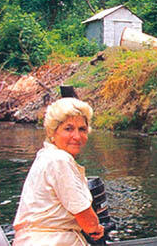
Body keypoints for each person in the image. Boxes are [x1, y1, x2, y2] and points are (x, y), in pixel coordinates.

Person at [13, 98, 104, 245]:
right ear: (52, 133)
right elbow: (88, 223)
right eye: (68, 129)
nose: (77, 136)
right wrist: (96, 227)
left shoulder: (46, 156)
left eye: (82, 129)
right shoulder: (59, 160)